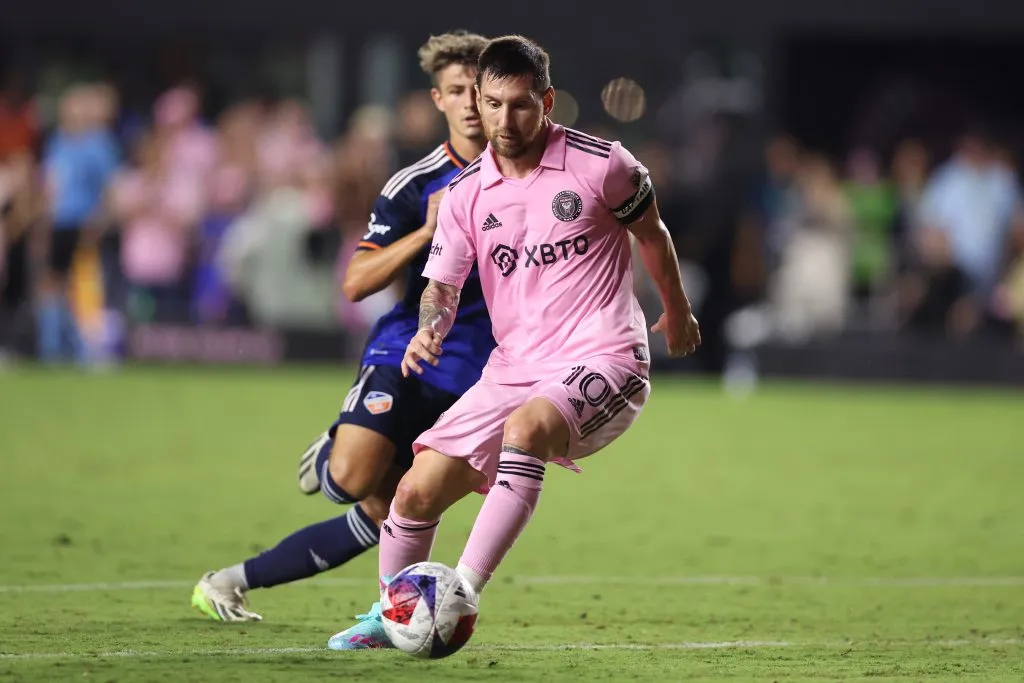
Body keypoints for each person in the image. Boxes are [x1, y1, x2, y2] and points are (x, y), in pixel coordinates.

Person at [327, 34, 700, 649]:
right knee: (415, 491)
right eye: (493, 103)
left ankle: (459, 596)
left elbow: (653, 236)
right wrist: (429, 332)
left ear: (547, 100)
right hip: (513, 368)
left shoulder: (604, 164)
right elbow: (440, 286)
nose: (505, 119)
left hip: (602, 355)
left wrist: (678, 312)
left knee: (526, 430)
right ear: (478, 98)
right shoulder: (467, 194)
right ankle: (394, 614)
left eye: (521, 104)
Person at [191, 30, 495, 624]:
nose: (468, 101)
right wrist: (426, 233)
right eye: (455, 90)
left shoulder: (525, 179)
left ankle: (229, 582)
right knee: (354, 476)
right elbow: (356, 282)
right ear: (438, 100)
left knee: (395, 513)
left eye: (478, 90)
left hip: (485, 375)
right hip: (412, 351)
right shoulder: (415, 184)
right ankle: (337, 449)